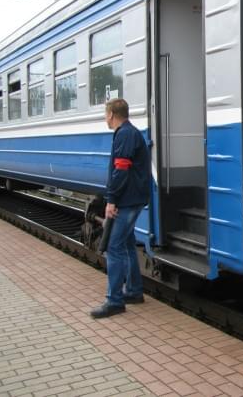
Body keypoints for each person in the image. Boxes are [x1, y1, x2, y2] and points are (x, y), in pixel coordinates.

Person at [91, 98, 150, 319]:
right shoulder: (128, 133)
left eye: (105, 115)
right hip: (132, 198)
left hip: (126, 200)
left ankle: (114, 301)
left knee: (113, 247)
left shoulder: (125, 134)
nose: (105, 119)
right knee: (125, 244)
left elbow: (121, 170)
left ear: (112, 114)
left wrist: (111, 200)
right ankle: (134, 291)